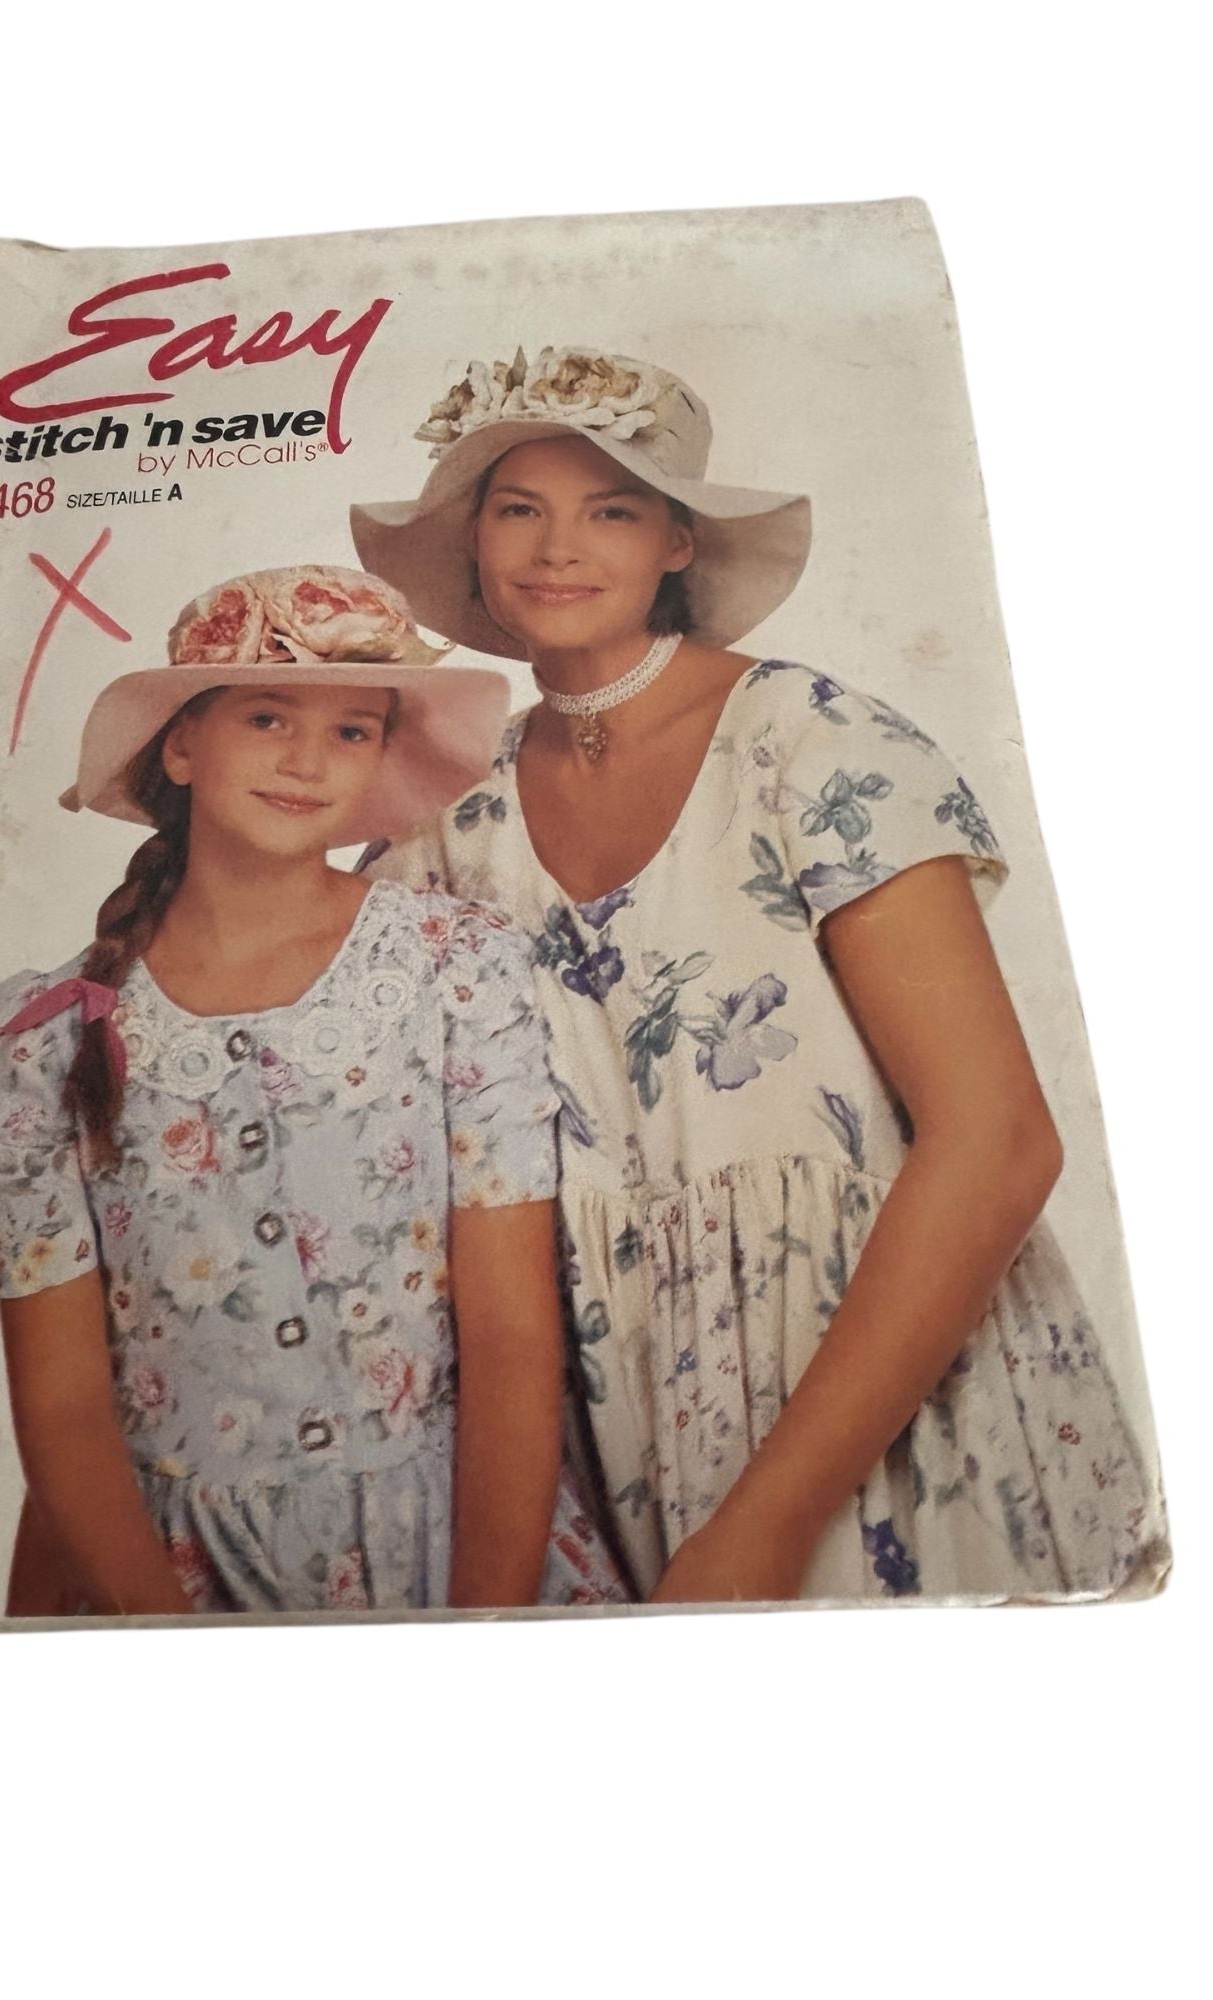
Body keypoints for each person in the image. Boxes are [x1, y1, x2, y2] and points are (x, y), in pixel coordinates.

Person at [351, 347, 1168, 1603]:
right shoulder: (446, 820)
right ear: (475, 540)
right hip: (605, 1426)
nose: (558, 548)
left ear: (678, 540)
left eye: (610, 510)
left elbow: (999, 1142)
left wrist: (770, 1521)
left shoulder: (811, 740)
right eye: (519, 508)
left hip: (882, 1402)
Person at [0, 563, 624, 1616]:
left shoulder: (457, 969)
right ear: (181, 744)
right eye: (267, 717)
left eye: (352, 730)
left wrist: (483, 1629)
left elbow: (511, 1339)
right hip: (164, 1579)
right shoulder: (39, 1039)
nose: (309, 761)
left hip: (456, 1546)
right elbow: (65, 1406)